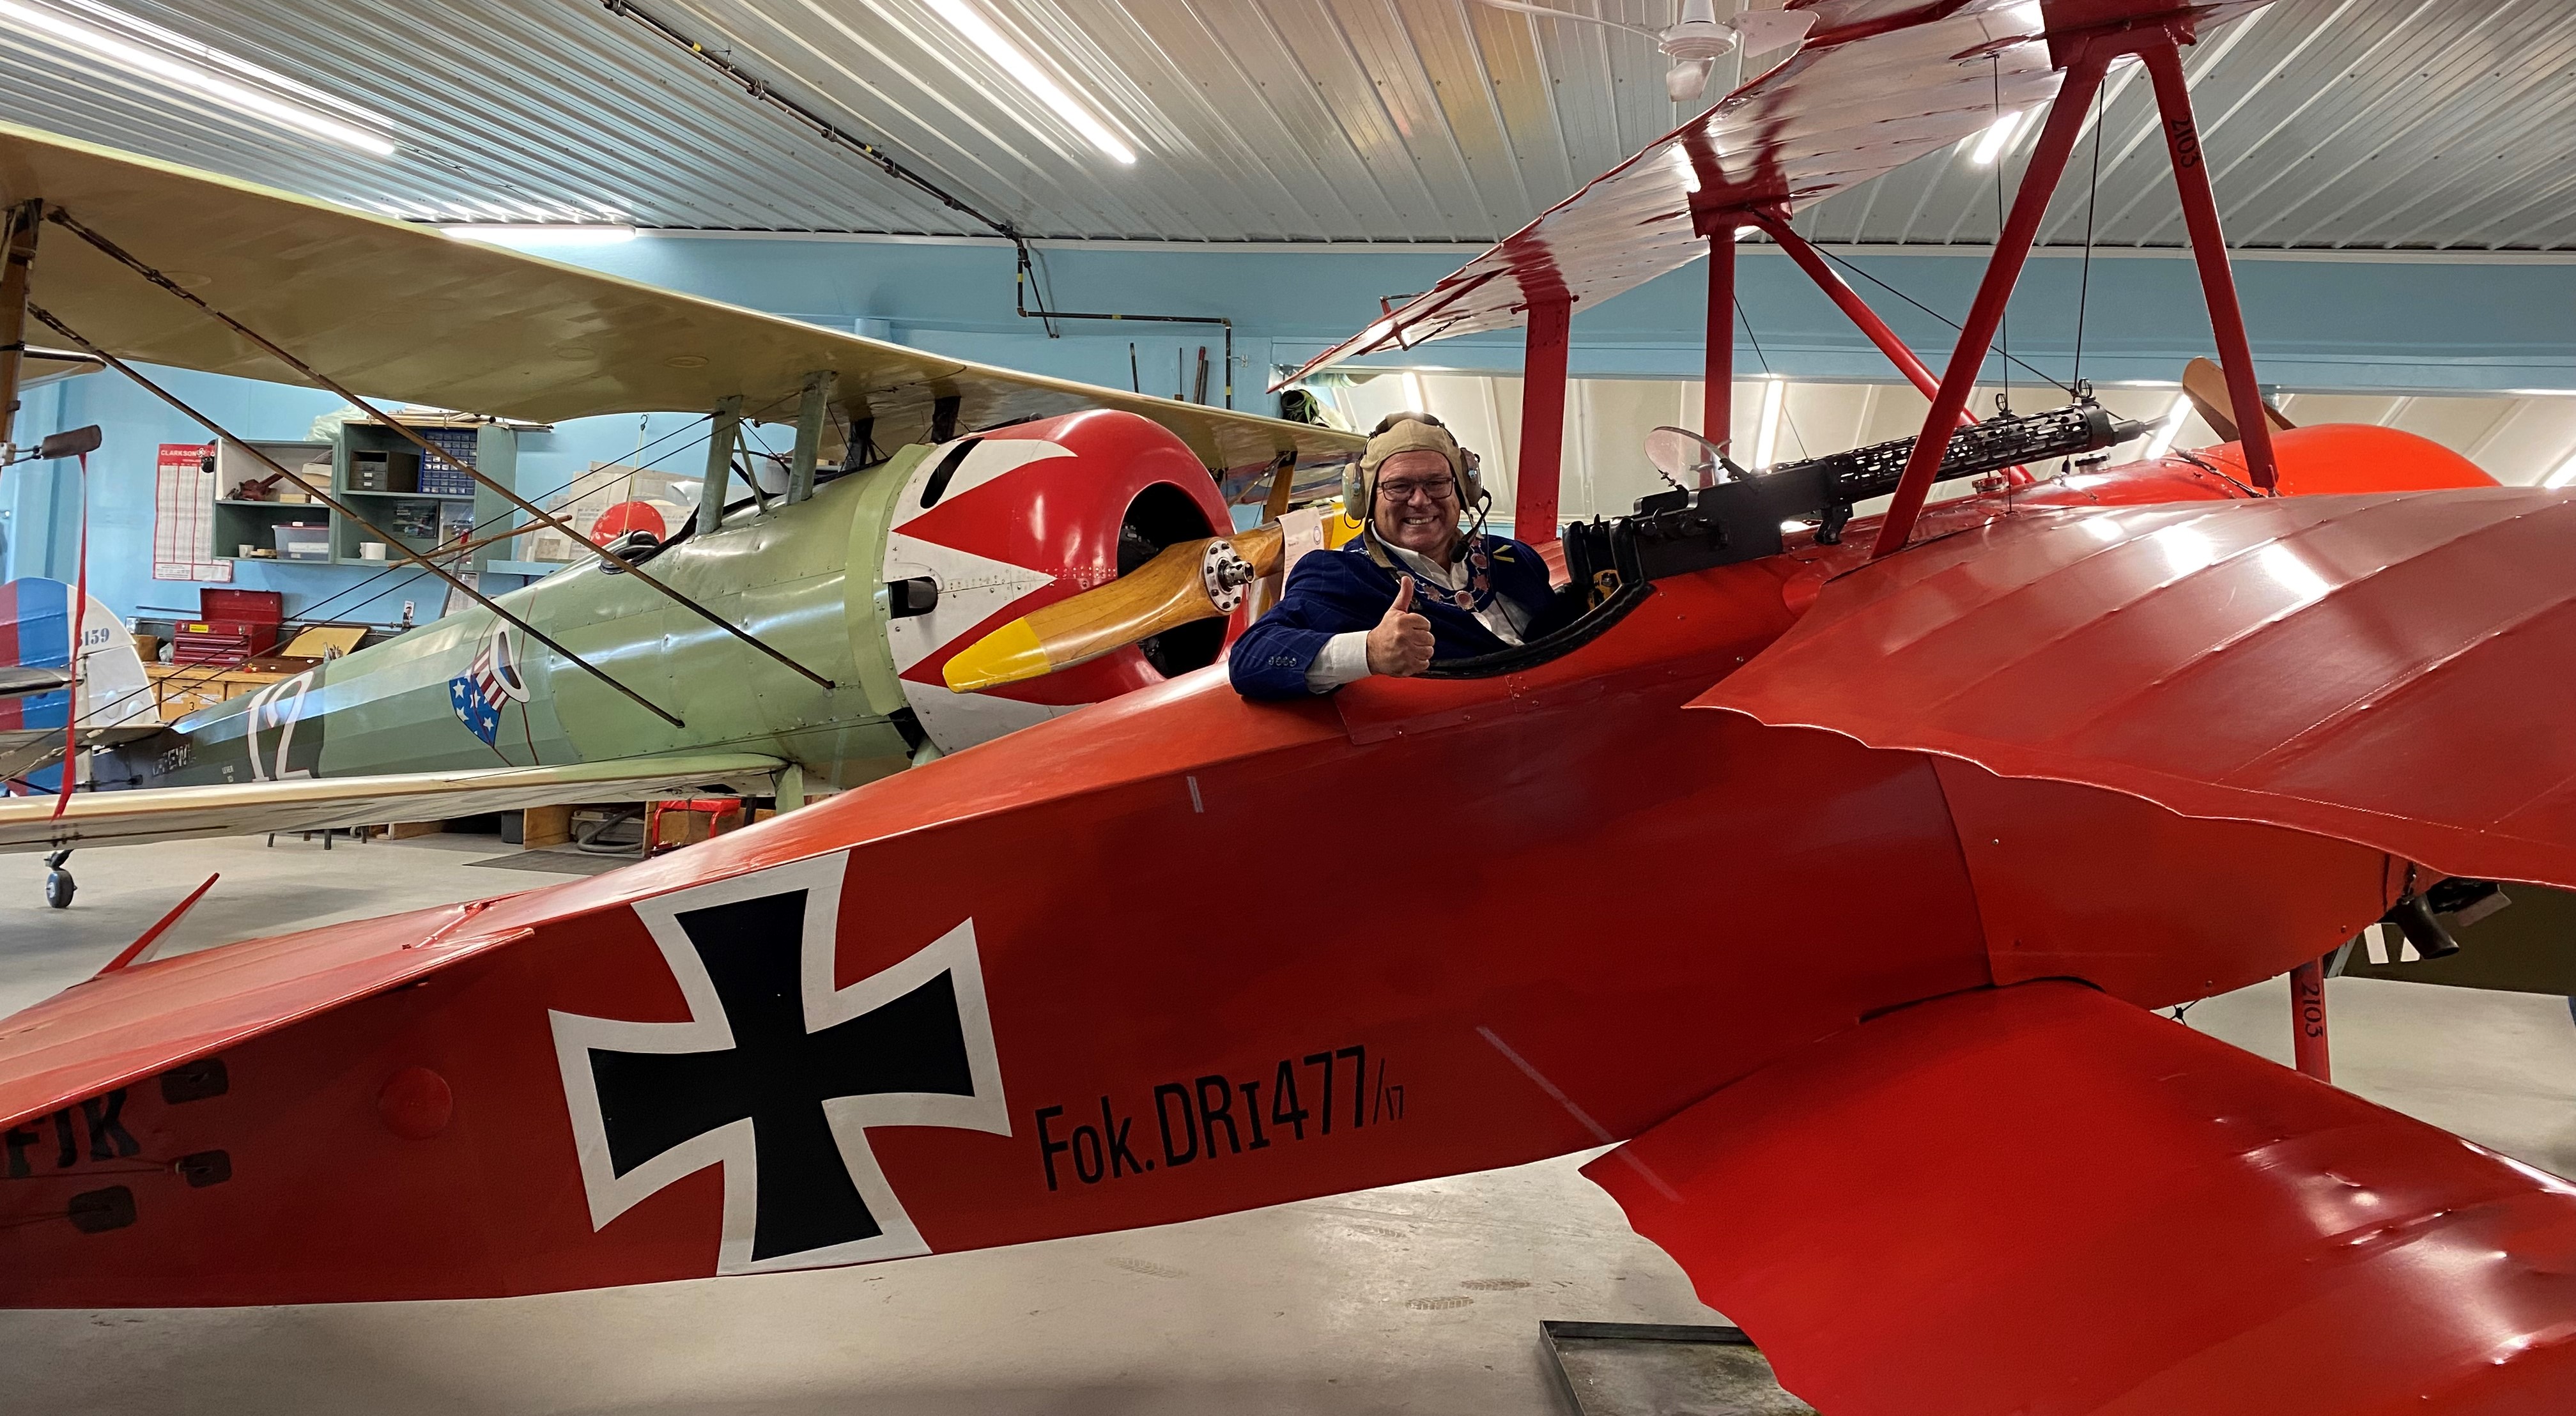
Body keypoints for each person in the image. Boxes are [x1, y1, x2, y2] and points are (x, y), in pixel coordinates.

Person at [1230, 412, 1578, 700]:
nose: (1420, 501)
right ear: (1364, 499)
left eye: (1437, 483)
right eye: (1399, 487)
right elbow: (1250, 658)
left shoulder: (1511, 556)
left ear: (1463, 490)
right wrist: (1369, 651)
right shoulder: (1340, 574)